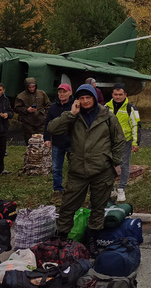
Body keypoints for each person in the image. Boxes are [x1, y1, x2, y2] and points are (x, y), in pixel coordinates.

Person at [47, 84, 125, 246]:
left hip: (102, 170)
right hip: (78, 170)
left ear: (94, 98)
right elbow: (52, 128)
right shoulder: (73, 116)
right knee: (68, 206)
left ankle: (93, 240)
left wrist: (113, 163)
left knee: (98, 207)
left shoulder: (108, 117)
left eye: (88, 97)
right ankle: (62, 238)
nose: (85, 101)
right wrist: (71, 113)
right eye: (81, 98)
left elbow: (119, 141)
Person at [106, 83, 139, 203]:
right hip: (109, 141)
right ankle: (111, 188)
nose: (118, 97)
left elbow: (135, 125)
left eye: (120, 94)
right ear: (112, 94)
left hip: (125, 141)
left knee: (124, 165)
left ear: (125, 95)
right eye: (115, 94)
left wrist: (135, 142)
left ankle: (121, 189)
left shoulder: (130, 108)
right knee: (108, 165)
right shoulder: (106, 107)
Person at [44, 83, 73, 195]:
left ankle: (72, 188)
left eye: (64, 92)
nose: (61, 94)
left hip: (72, 142)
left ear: (69, 92)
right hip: (57, 142)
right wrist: (47, 138)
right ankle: (57, 189)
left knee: (74, 168)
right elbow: (47, 123)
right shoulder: (53, 107)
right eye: (60, 92)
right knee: (56, 168)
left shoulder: (74, 106)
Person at [14, 77, 50, 144]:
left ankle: (42, 154)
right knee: (30, 141)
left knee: (42, 141)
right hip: (28, 122)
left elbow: (48, 105)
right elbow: (16, 108)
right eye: (29, 87)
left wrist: (46, 115)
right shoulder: (21, 96)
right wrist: (26, 110)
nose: (31, 89)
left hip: (41, 121)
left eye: (33, 87)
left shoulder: (42, 93)